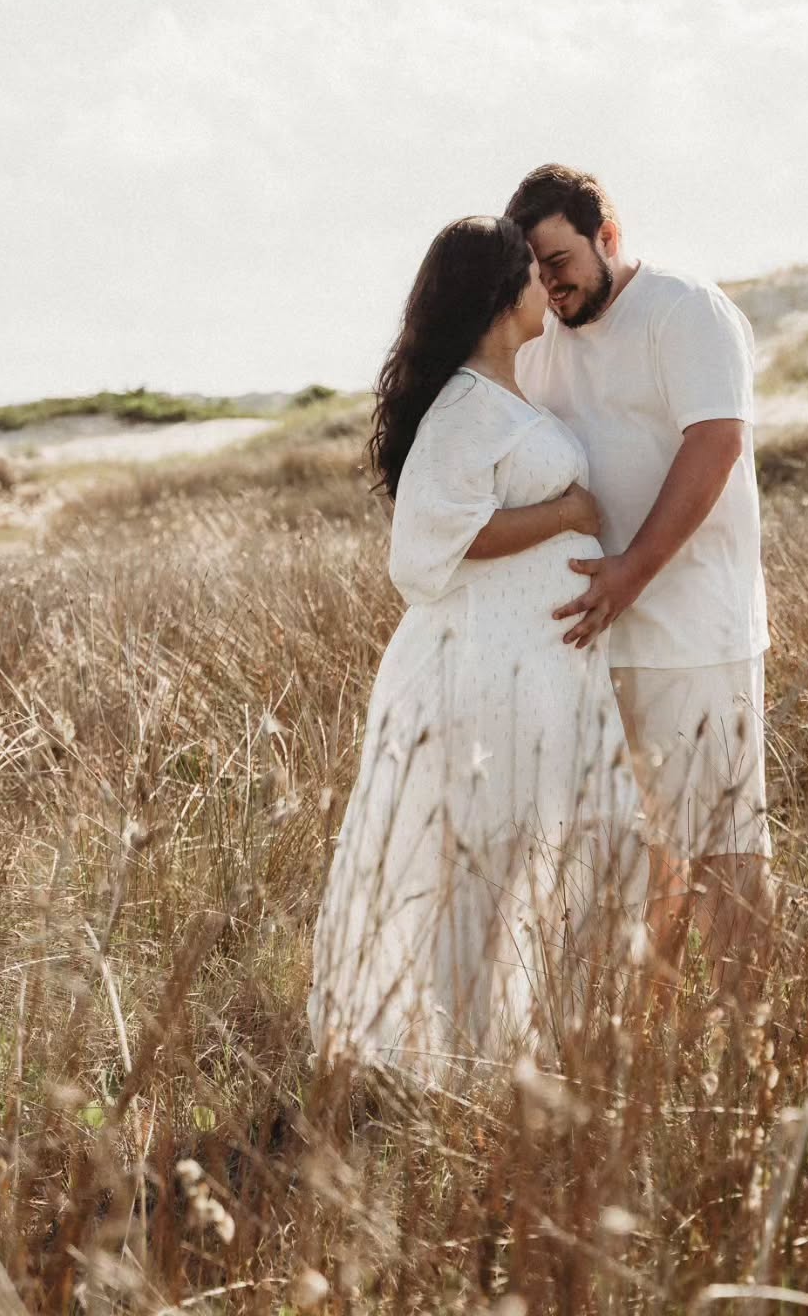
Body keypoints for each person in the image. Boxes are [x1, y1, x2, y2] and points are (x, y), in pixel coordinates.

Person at [308, 216, 644, 1080]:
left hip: (533, 669)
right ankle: (456, 1064)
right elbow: (425, 550)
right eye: (532, 274)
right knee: (475, 870)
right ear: (501, 297)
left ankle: (509, 1056)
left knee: (524, 863)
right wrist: (568, 514)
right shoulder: (463, 406)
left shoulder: (508, 394)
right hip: (478, 673)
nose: (545, 287)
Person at [506, 165, 774, 1003]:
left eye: (560, 261)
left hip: (695, 632)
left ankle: (748, 1033)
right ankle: (647, 1037)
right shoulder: (544, 346)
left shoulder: (685, 310)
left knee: (725, 843)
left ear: (609, 238)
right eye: (535, 270)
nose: (550, 285)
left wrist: (630, 573)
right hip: (595, 639)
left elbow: (715, 445)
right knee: (641, 848)